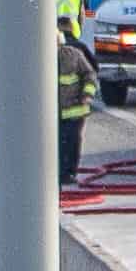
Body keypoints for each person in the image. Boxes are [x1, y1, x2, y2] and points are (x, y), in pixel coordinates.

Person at [56, 18, 98, 185]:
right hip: (53, 112)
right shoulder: (39, 60)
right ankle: (59, 173)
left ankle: (68, 173)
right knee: (57, 143)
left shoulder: (73, 55)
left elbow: (90, 75)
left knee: (71, 142)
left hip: (74, 110)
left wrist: (87, 95)